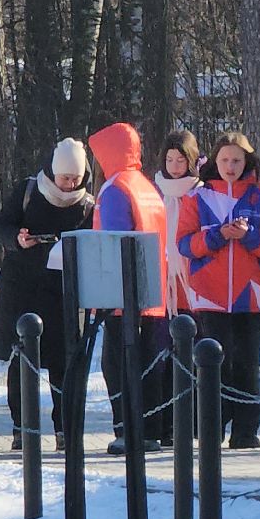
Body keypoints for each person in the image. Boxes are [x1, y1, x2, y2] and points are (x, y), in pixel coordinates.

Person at [0, 139, 95, 451]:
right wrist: (17, 239)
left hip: (64, 293)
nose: (70, 184)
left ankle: (64, 429)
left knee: (64, 364)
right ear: (53, 172)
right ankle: (22, 428)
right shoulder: (29, 190)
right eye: (65, 178)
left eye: (76, 179)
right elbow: (1, 226)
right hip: (23, 289)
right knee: (22, 361)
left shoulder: (87, 204)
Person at [175, 131, 260, 448]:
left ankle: (246, 431)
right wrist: (218, 235)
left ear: (246, 162)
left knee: (247, 365)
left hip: (250, 295)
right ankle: (212, 427)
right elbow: (185, 244)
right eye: (224, 160)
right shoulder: (198, 198)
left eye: (236, 160)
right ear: (215, 161)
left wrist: (248, 237)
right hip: (210, 295)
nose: (230, 166)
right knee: (213, 365)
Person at [88, 122, 172, 455]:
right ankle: (150, 429)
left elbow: (114, 243)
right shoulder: (146, 187)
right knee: (149, 364)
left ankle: (127, 429)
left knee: (118, 364)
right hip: (153, 292)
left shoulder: (114, 189)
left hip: (121, 294)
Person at [154, 129, 203, 315]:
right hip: (164, 274)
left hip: (193, 273)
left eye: (180, 160)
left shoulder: (200, 192)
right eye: (169, 160)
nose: (174, 166)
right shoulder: (158, 190)